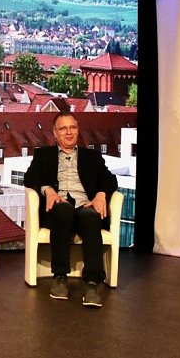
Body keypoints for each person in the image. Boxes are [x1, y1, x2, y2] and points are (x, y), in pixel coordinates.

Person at [23, 112, 118, 308]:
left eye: (72, 128)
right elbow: (30, 177)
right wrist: (47, 190)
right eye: (64, 128)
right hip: (59, 205)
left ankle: (92, 284)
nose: (69, 132)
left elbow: (110, 179)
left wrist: (101, 194)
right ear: (55, 133)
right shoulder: (44, 155)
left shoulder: (92, 156)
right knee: (63, 212)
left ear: (77, 130)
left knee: (92, 218)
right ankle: (60, 277)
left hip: (85, 205)